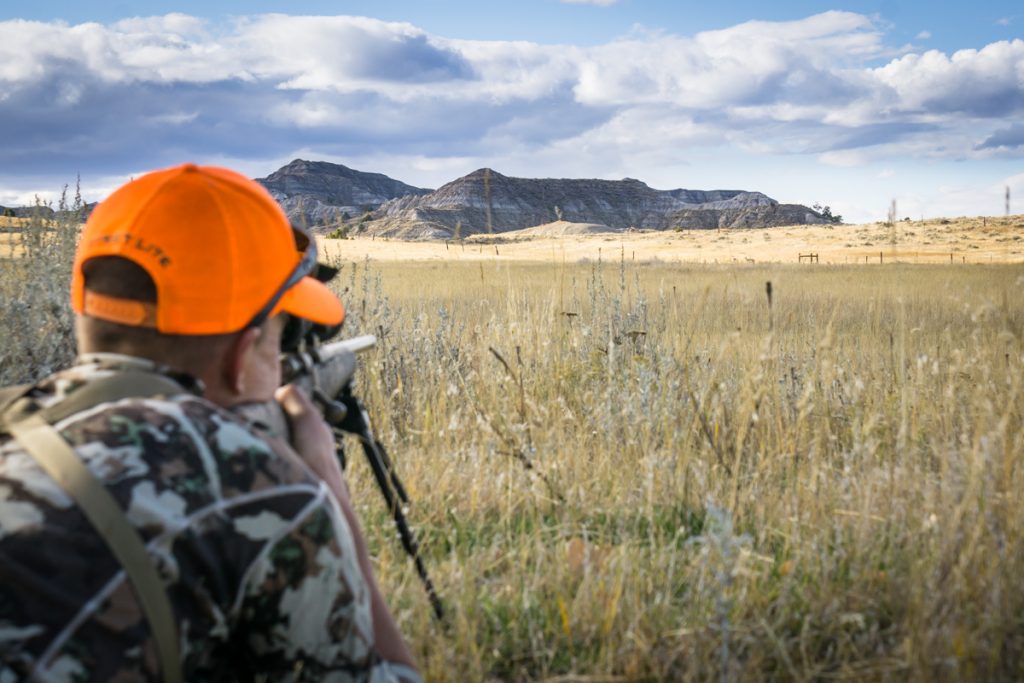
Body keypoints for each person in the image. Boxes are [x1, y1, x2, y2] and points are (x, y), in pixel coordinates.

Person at [0, 164, 421, 682]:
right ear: (243, 354)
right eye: (280, 338)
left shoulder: (14, 418)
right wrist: (328, 495)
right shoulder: (262, 486)